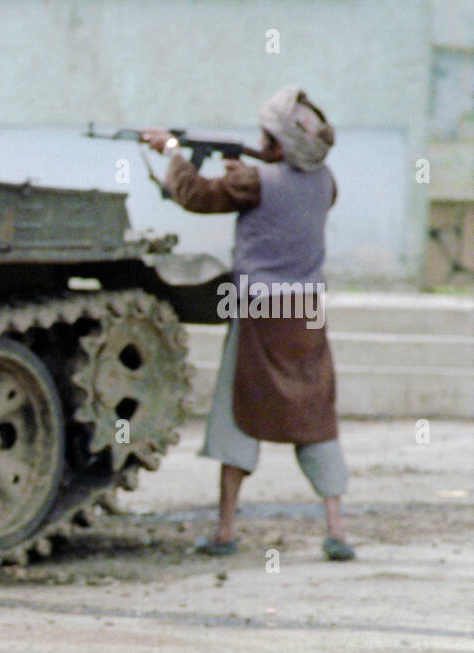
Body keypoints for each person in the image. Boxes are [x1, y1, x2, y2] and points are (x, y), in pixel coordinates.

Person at [142, 85, 354, 561]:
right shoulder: (327, 182)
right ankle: (337, 528)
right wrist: (251, 172)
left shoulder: (256, 182)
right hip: (307, 314)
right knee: (316, 417)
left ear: (278, 145)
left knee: (236, 416)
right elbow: (289, 199)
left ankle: (224, 529)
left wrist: (174, 153)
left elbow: (195, 195)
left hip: (259, 313)